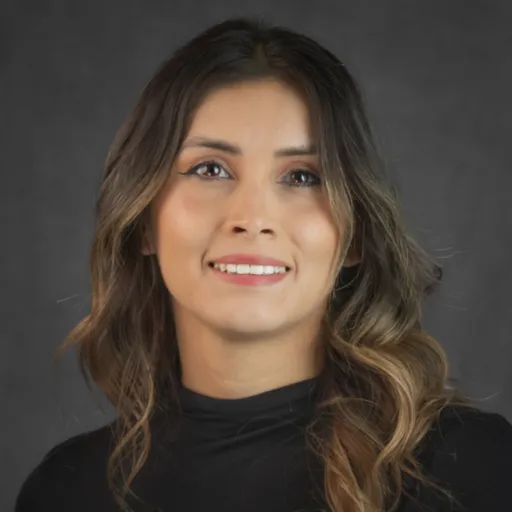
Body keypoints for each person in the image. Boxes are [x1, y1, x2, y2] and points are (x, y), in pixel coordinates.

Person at [15, 16, 512, 512]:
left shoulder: (473, 469)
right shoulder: (64, 492)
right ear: (143, 220)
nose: (252, 218)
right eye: (210, 169)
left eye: (302, 177)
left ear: (355, 234)